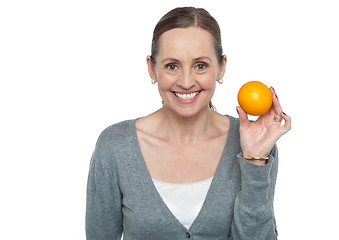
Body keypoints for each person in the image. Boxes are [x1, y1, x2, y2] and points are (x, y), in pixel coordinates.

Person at [86, 6, 291, 240]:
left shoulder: (254, 142)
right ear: (152, 69)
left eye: (200, 65)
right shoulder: (115, 146)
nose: (185, 82)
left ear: (221, 67)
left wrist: (255, 159)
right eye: (172, 66)